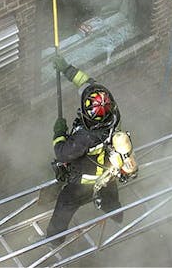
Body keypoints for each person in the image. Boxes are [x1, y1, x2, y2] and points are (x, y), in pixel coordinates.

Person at [46, 54, 137, 246]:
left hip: (84, 181)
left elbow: (62, 152)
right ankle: (117, 217)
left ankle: (53, 240)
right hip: (109, 172)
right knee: (110, 196)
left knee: (65, 203)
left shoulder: (85, 137)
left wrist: (59, 132)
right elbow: (85, 82)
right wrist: (66, 68)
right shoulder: (108, 106)